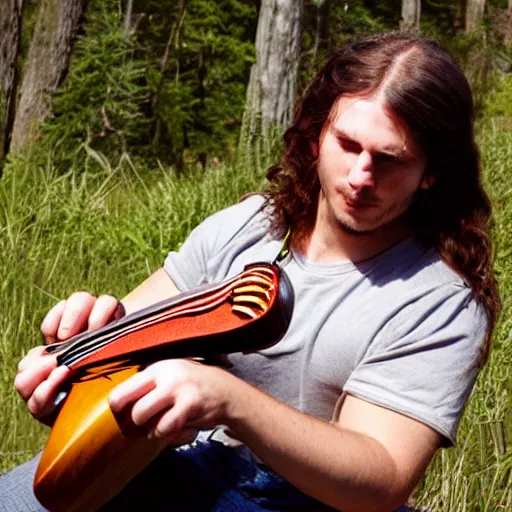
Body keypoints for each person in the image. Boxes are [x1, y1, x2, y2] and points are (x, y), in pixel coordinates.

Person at [1, 32, 500, 512]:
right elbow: (135, 331)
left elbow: (382, 478)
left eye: (389, 160)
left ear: (431, 171)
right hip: (176, 464)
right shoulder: (251, 226)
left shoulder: (439, 298)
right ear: (316, 136)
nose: (359, 177)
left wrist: (228, 401)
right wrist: (77, 355)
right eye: (347, 144)